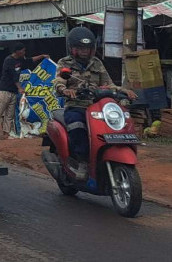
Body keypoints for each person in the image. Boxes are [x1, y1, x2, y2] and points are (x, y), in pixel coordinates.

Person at [53, 27, 136, 179]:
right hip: (76, 105)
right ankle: (82, 161)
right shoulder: (65, 63)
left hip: (98, 106)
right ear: (72, 48)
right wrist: (65, 90)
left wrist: (123, 90)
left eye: (88, 48)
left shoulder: (97, 63)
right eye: (81, 48)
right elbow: (59, 80)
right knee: (77, 124)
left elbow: (108, 83)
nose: (85, 51)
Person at [0, 43, 49, 138]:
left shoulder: (20, 60)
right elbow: (14, 76)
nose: (24, 52)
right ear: (17, 51)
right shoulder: (9, 60)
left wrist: (42, 56)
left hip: (13, 91)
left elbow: (30, 60)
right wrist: (20, 88)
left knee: (10, 115)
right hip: (4, 91)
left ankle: (6, 134)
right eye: (23, 50)